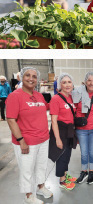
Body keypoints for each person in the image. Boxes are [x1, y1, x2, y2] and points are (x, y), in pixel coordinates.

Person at [7, 67, 53, 204]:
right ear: (21, 77)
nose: (31, 78)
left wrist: (61, 99)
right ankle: (28, 195)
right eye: (28, 75)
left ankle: (41, 187)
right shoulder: (15, 96)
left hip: (43, 139)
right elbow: (10, 120)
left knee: (41, 166)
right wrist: (21, 141)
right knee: (27, 169)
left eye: (34, 76)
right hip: (26, 141)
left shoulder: (38, 95)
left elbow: (45, 107)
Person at [48, 73, 79, 190]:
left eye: (69, 82)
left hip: (69, 131)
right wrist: (57, 139)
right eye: (64, 82)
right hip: (60, 131)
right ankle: (62, 180)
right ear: (59, 85)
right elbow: (54, 121)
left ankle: (65, 175)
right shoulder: (56, 99)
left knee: (67, 155)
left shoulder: (70, 97)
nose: (67, 85)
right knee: (61, 156)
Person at [72, 72, 93, 184]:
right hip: (81, 130)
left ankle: (91, 171)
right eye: (89, 80)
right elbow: (72, 109)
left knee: (91, 151)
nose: (92, 83)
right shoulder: (78, 93)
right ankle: (83, 171)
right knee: (84, 152)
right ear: (85, 81)